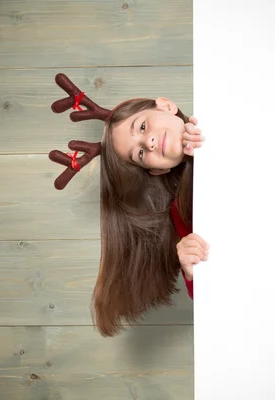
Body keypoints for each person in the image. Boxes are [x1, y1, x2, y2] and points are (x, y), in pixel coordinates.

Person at [94, 97, 210, 336]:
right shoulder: (182, 212)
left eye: (142, 127)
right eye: (139, 154)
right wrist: (192, 272)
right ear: (158, 170)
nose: (149, 141)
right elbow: (216, 299)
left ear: (166, 106)